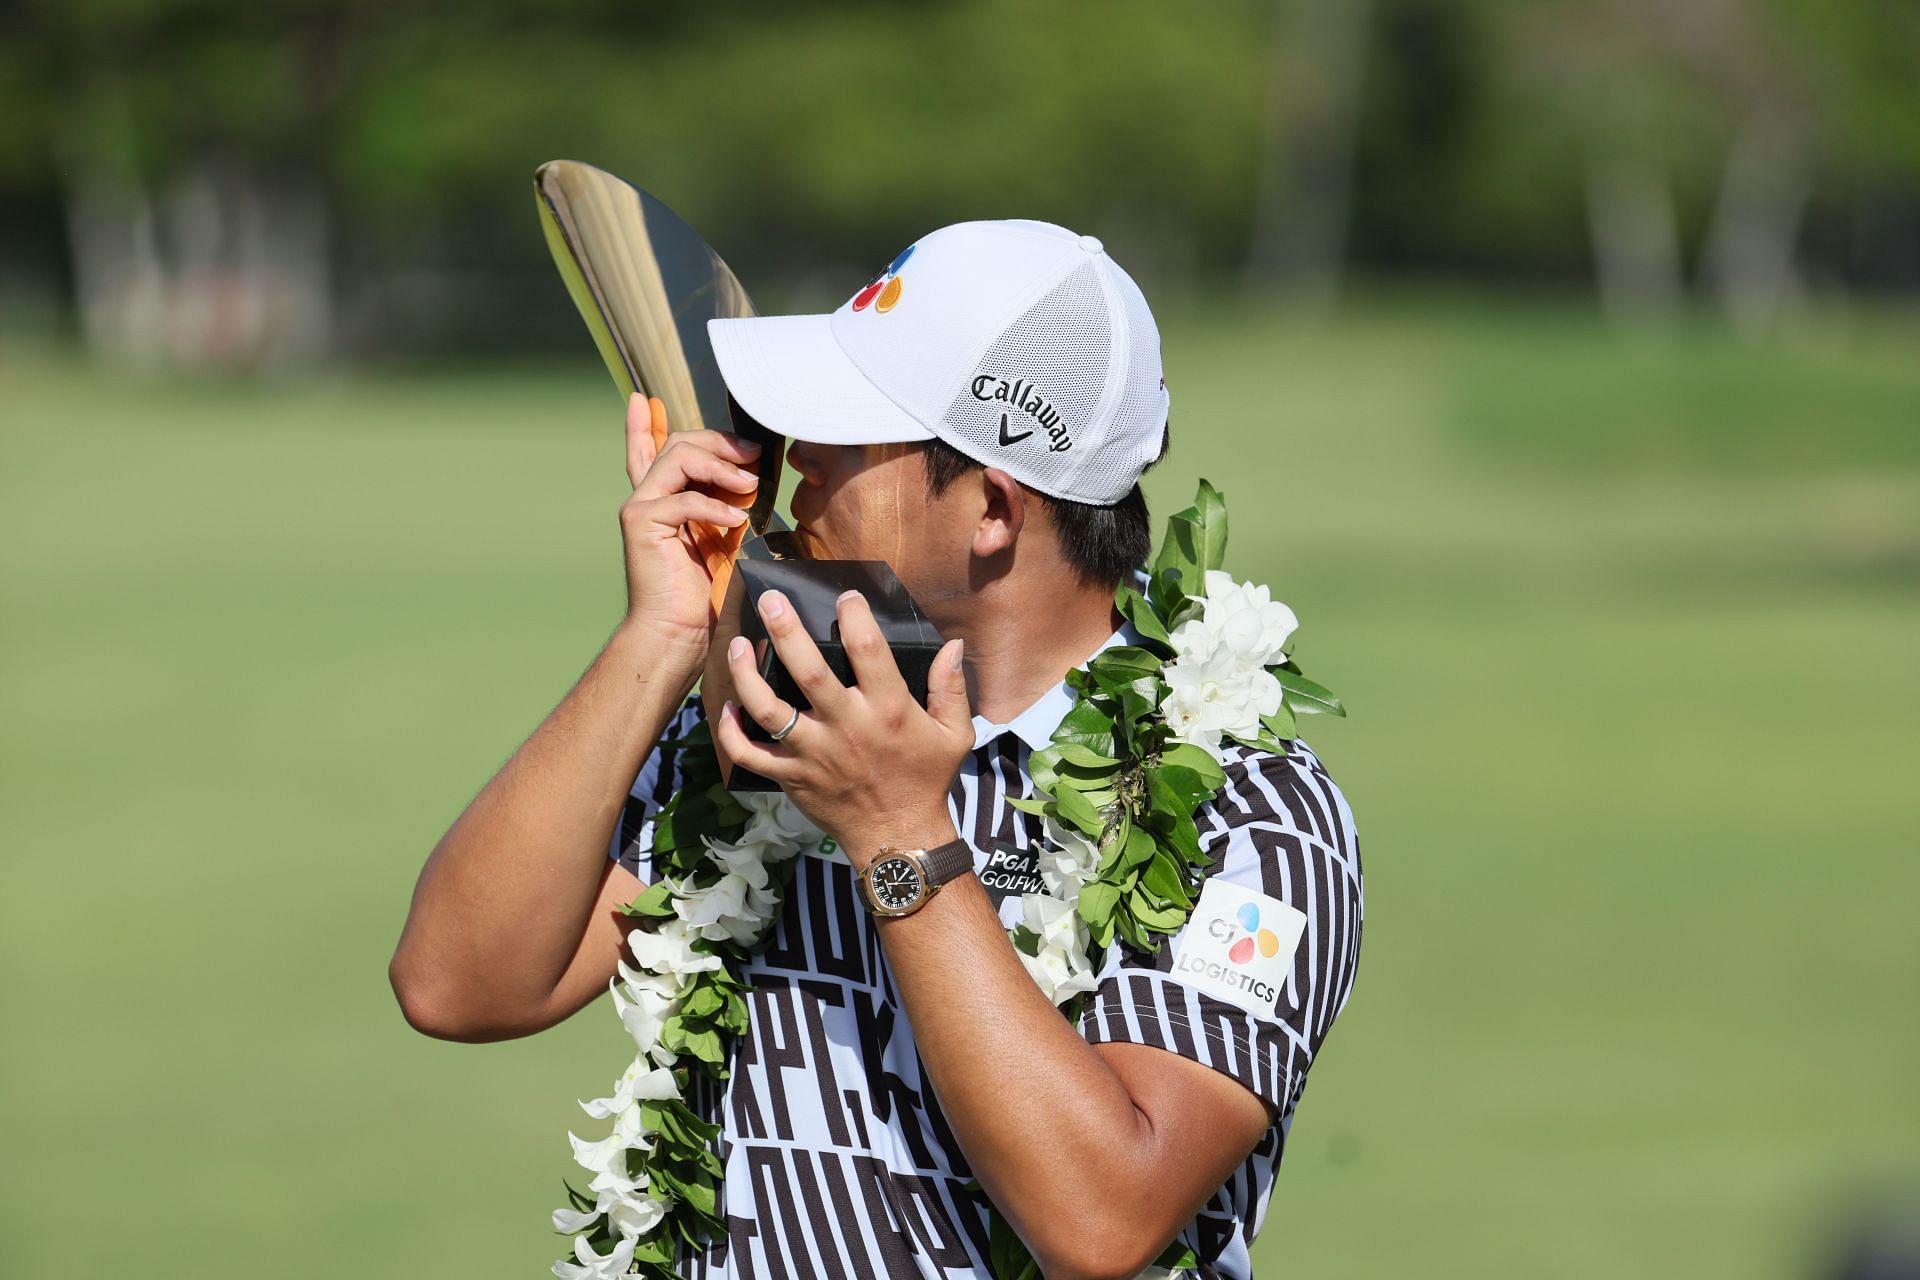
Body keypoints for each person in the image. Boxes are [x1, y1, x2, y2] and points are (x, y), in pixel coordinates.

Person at [389, 219, 1364, 1280]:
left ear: (992, 507)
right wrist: (663, 633)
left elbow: (1103, 1216)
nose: (794, 459)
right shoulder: (776, 704)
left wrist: (898, 831)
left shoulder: (1250, 809)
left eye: (850, 428)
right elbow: (458, 985)